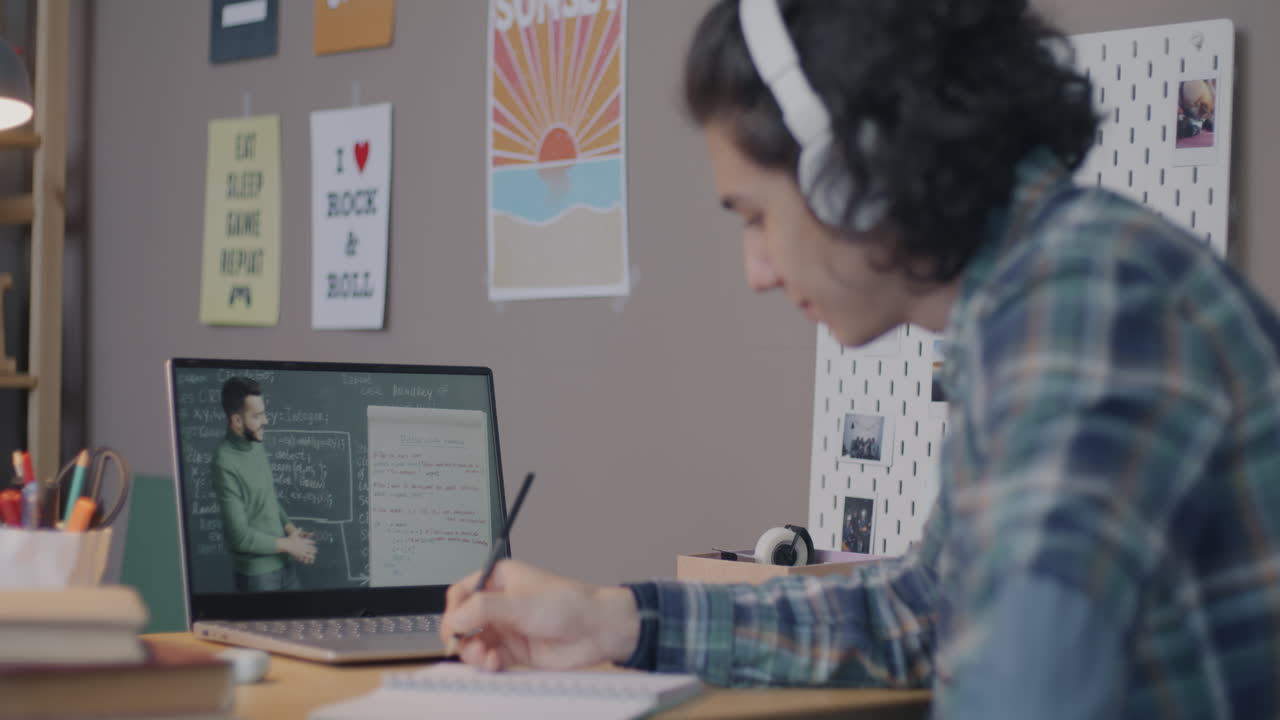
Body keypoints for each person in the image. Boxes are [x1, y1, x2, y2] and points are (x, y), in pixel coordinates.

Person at [442, 1, 1280, 716]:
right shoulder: (1036, 299)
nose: (757, 271)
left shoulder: (1085, 315)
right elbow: (925, 611)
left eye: (755, 215)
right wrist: (614, 621)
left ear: (853, 173)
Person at [210, 376, 317, 592]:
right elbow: (239, 537)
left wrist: (290, 529)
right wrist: (290, 546)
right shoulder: (224, 462)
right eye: (257, 416)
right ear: (237, 421)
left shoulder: (255, 443)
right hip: (259, 578)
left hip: (285, 564)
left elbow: (267, 498)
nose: (265, 421)